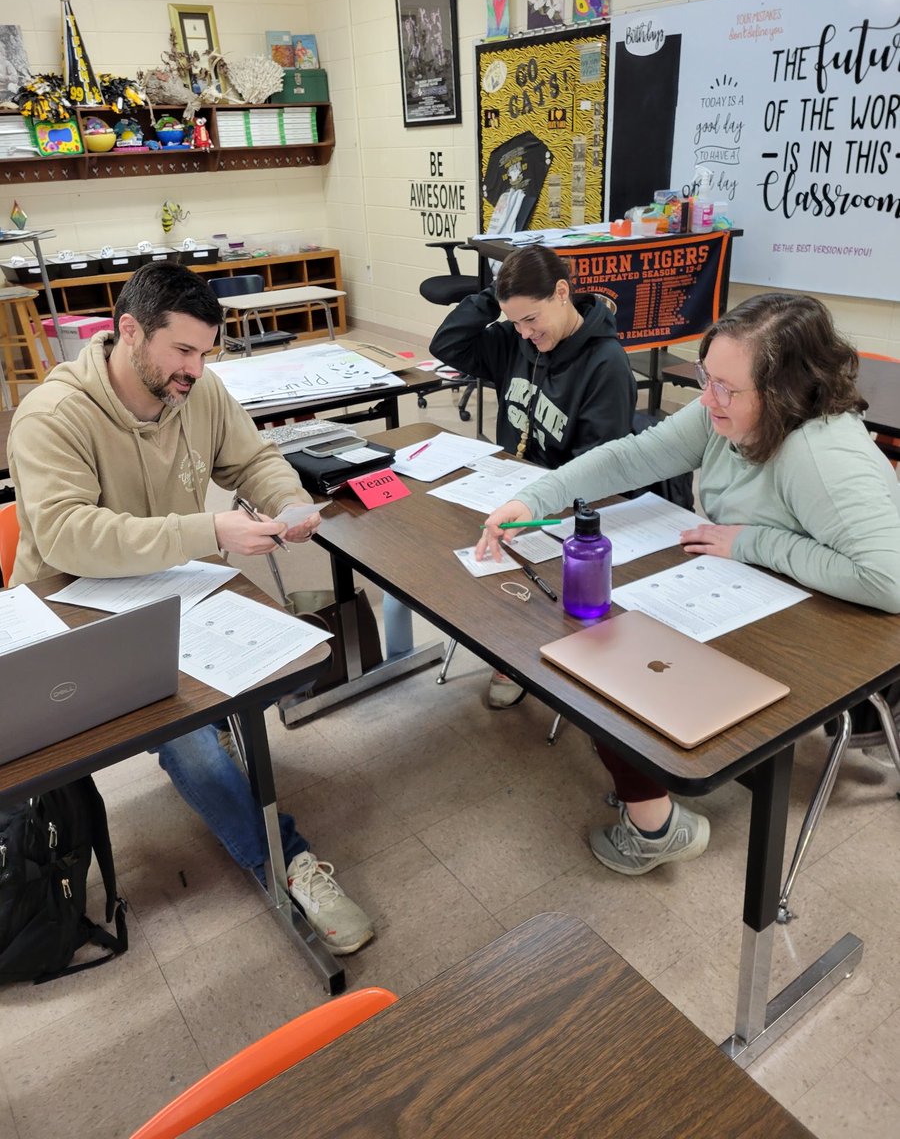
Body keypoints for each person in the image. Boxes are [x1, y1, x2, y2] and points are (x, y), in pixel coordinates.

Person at [7, 262, 374, 955]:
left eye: (207, 353)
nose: (196, 371)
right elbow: (66, 534)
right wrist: (208, 531)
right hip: (77, 607)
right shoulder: (52, 415)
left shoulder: (195, 393)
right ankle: (285, 859)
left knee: (294, 665)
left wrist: (288, 500)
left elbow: (252, 457)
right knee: (192, 743)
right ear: (128, 333)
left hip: (174, 586)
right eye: (182, 351)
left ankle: (236, 760)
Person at [477, 292, 900, 874]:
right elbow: (629, 459)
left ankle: (652, 824)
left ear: (784, 392)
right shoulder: (726, 412)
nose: (707, 399)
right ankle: (647, 795)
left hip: (833, 629)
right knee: (601, 643)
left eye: (726, 387)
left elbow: (888, 580)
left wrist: (753, 542)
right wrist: (532, 497)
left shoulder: (821, 455)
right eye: (707, 377)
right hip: (753, 593)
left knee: (620, 666)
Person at [429, 244, 636, 706]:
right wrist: (496, 295)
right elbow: (446, 345)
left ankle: (525, 655)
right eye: (514, 321)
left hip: (563, 509)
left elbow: (599, 472)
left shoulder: (606, 364)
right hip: (509, 494)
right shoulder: (515, 340)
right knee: (445, 550)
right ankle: (507, 645)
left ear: (562, 292)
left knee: (504, 565)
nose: (524, 333)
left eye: (532, 319)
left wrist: (543, 503)